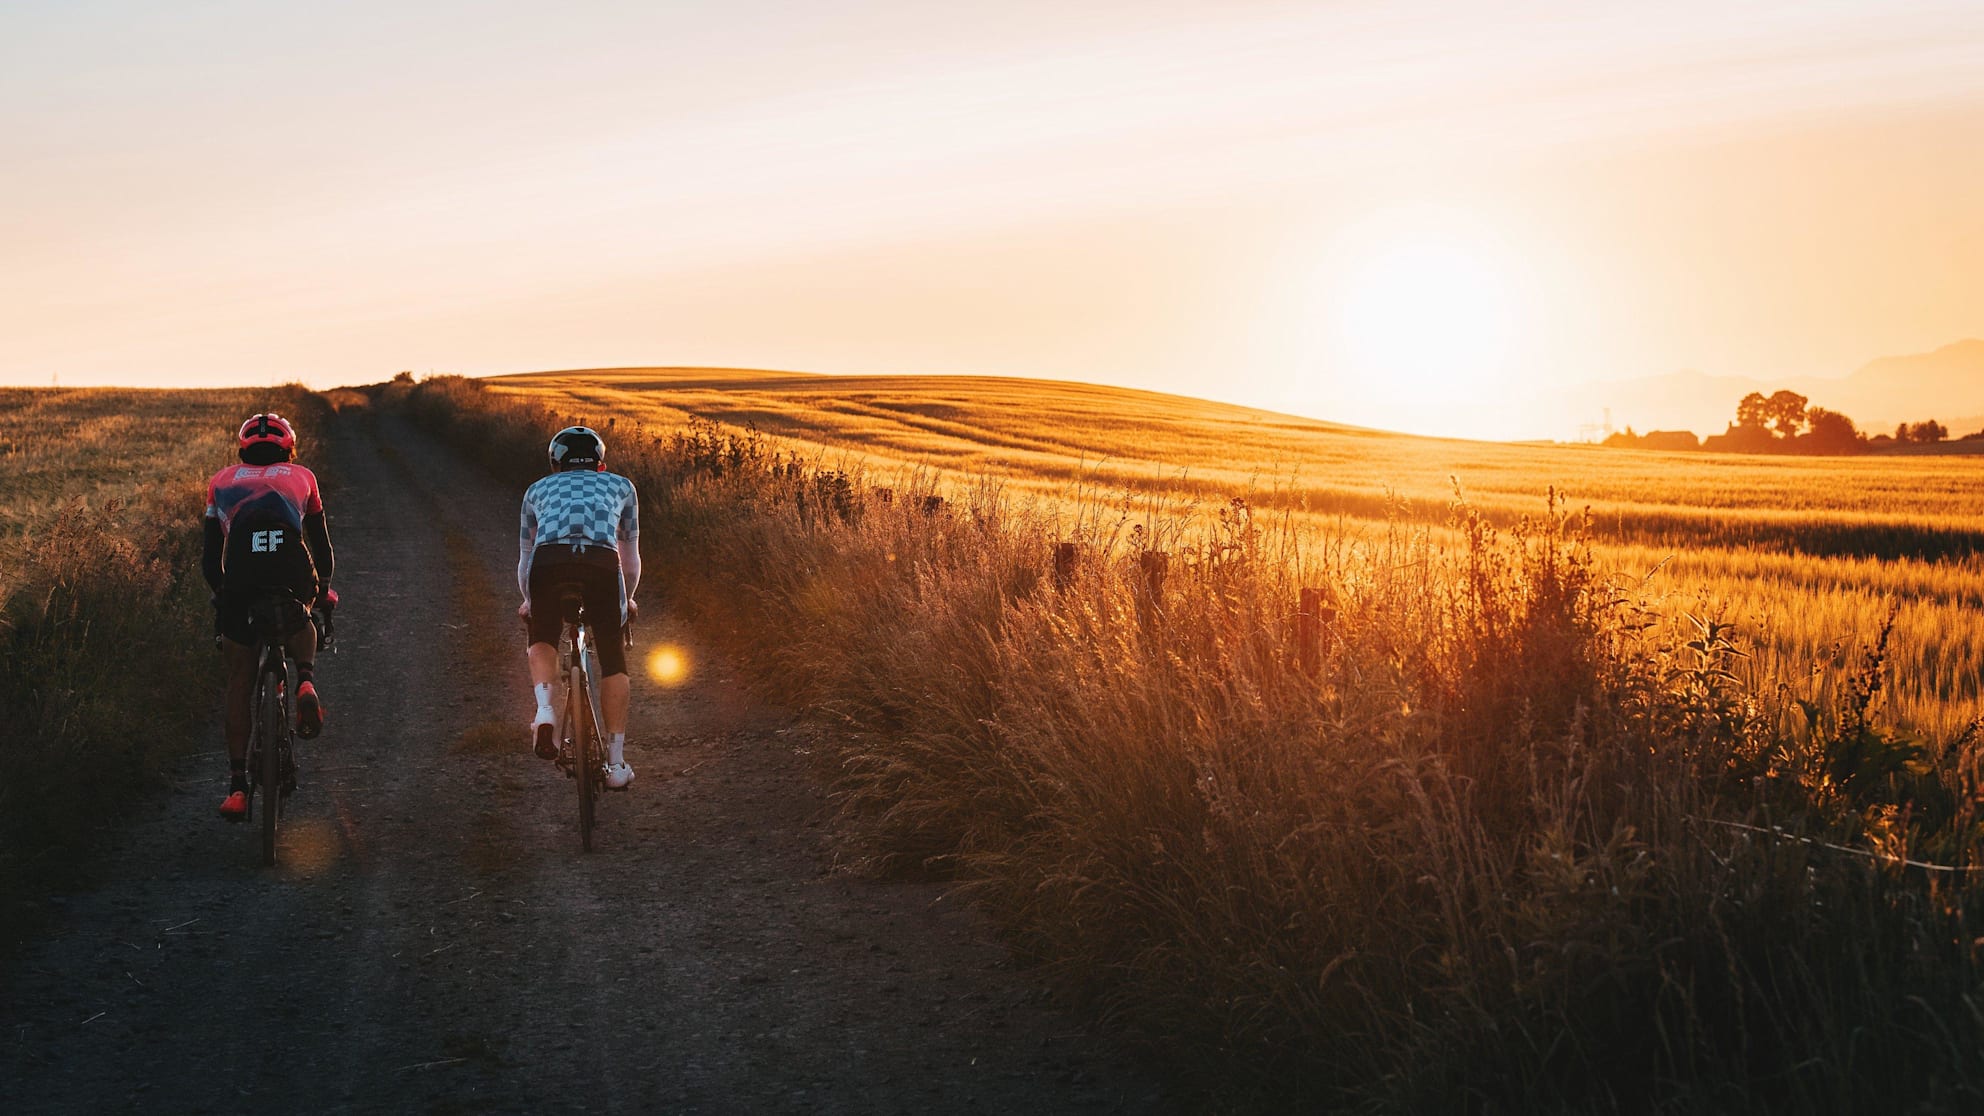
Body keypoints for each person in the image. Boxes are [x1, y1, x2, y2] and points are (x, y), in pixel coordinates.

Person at [203, 412, 336, 820]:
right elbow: (322, 547)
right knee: (303, 615)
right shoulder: (303, 477)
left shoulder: (221, 481)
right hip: (291, 569)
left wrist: (223, 597)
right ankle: (306, 680)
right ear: (288, 449)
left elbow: (211, 559)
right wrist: (324, 591)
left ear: (242, 450)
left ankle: (238, 786)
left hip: (242, 574)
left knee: (239, 680)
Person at [518, 425, 640, 788]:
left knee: (541, 636)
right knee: (613, 657)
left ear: (556, 463)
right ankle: (616, 765)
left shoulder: (535, 490)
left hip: (547, 563)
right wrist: (627, 599)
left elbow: (526, 558)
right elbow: (629, 558)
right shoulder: (622, 486)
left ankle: (544, 712)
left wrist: (529, 601)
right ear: (600, 462)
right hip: (601, 564)